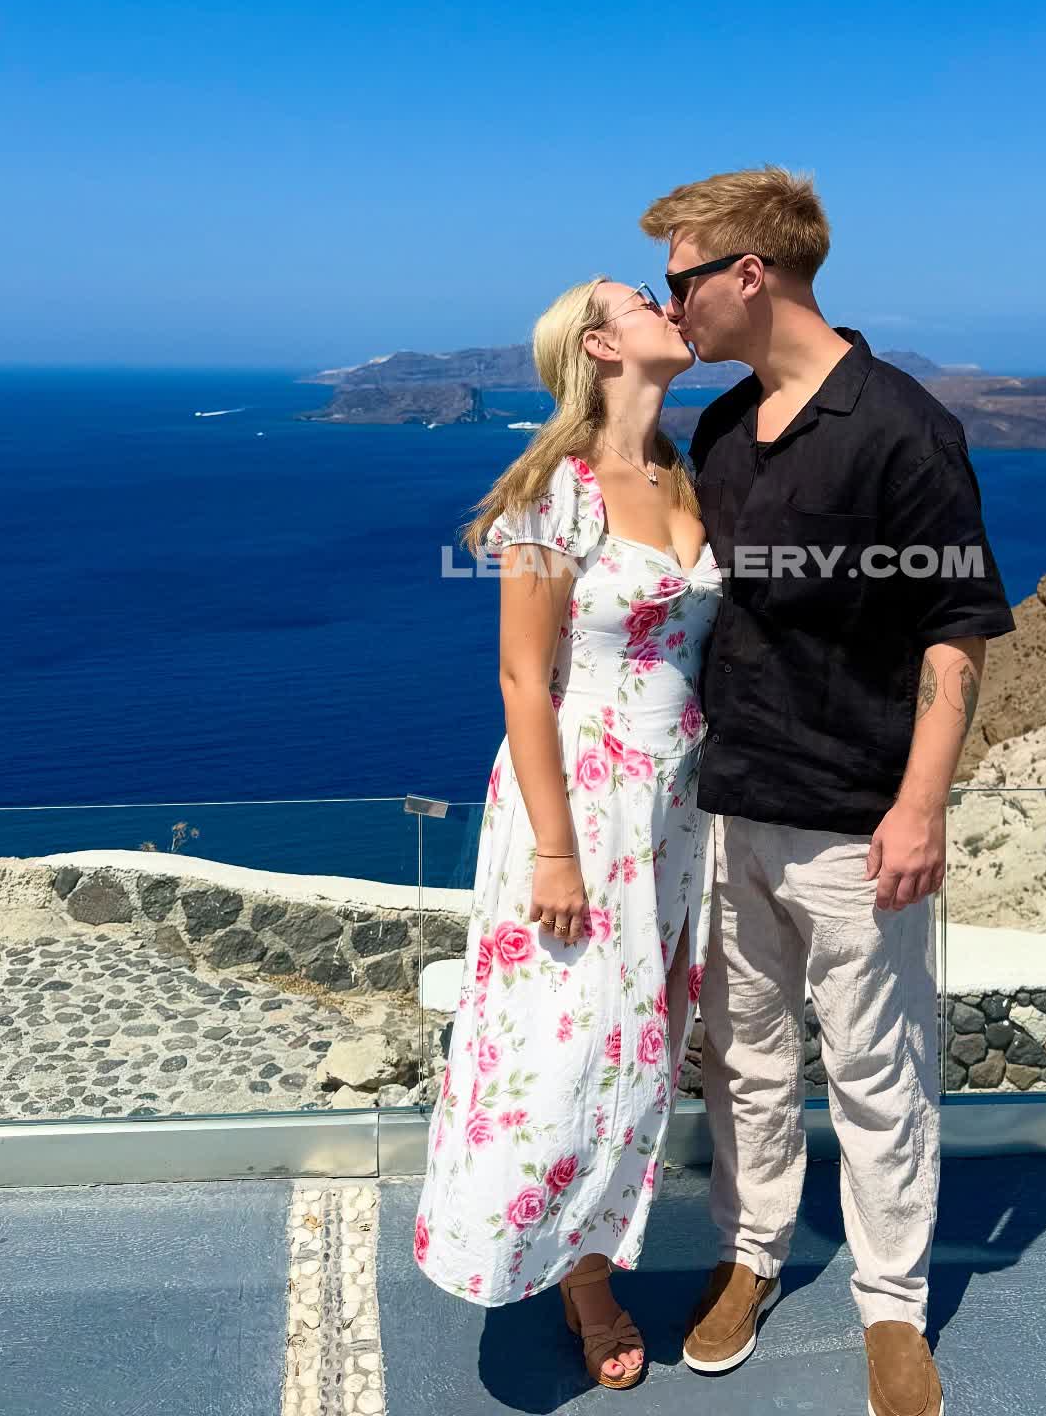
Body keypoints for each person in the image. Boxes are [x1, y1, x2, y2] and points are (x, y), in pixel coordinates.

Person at [638, 167, 1016, 1416]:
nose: (670, 303)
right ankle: (749, 1256)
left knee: (876, 1072)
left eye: (681, 278)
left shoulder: (903, 426)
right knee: (744, 1061)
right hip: (731, 806)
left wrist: (922, 804)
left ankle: (893, 1307)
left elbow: (956, 629)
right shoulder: (719, 429)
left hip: (858, 817)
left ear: (750, 273)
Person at [412, 276, 722, 1392]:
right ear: (600, 343)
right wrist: (554, 848)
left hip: (675, 808)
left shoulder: (684, 469)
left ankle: (590, 1253)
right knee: (560, 1051)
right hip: (581, 805)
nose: (670, 304)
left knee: (638, 1052)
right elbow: (521, 677)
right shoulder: (555, 490)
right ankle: (571, 1282)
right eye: (642, 299)